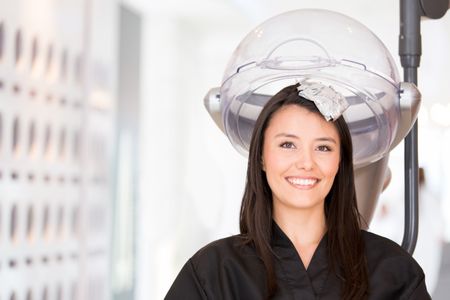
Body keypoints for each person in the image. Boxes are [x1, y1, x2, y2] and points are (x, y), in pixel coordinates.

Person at [165, 83, 431, 299]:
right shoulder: (213, 273)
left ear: (340, 162)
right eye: (288, 145)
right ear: (260, 156)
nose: (306, 163)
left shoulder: (392, 272)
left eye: (323, 147)